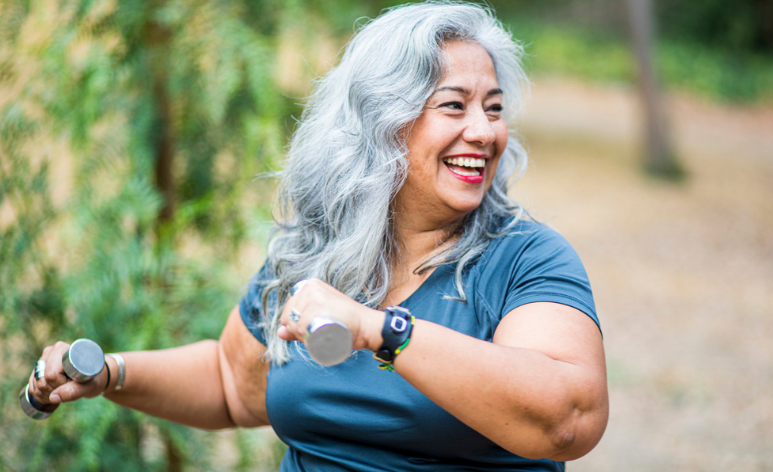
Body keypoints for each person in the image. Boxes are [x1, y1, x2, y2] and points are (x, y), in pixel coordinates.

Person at [28, 2, 608, 470]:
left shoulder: (526, 258)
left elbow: (567, 420)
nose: (484, 131)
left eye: (494, 107)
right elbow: (233, 383)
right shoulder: (316, 249)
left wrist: (382, 332)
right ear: (382, 122)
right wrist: (109, 373)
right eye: (453, 106)